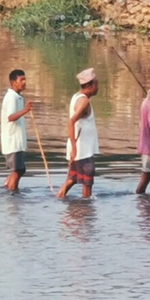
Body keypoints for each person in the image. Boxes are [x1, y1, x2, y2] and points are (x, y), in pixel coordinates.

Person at [56, 67, 101, 200]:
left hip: (79, 149)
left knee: (73, 178)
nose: (98, 87)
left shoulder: (77, 96)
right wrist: (75, 149)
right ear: (90, 86)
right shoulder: (83, 101)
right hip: (82, 151)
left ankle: (58, 197)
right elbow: (70, 123)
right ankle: (86, 211)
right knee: (87, 182)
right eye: (96, 84)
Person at [0, 68, 34, 193]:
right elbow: (10, 117)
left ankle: (6, 187)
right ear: (14, 82)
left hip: (17, 141)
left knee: (20, 170)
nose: (24, 82)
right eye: (22, 80)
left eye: (25, 79)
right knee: (18, 170)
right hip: (12, 141)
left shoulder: (18, 97)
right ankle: (12, 194)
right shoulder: (11, 97)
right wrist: (25, 110)